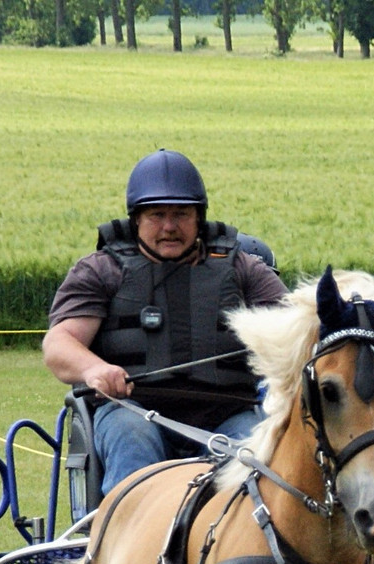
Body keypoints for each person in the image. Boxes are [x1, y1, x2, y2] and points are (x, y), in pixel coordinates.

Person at [44, 149, 289, 495]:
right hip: (133, 411)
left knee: (252, 456)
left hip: (228, 417)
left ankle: (249, 544)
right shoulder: (101, 269)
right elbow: (59, 344)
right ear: (136, 220)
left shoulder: (243, 268)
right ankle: (128, 541)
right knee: (133, 440)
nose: (169, 226)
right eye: (157, 215)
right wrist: (93, 370)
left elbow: (295, 328)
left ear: (199, 217)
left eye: (181, 214)